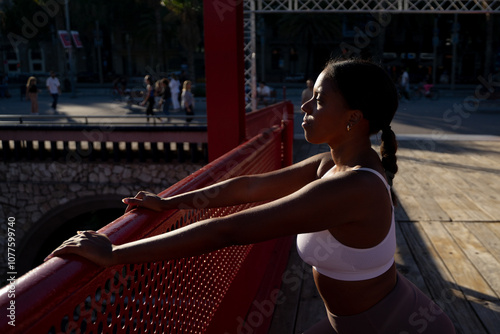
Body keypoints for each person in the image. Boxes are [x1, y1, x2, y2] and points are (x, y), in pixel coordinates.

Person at [45, 59, 455, 334]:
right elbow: (249, 187)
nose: (305, 105)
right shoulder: (329, 165)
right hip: (354, 321)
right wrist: (172, 203)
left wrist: (116, 253)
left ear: (353, 119)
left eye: (319, 99)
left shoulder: (353, 186)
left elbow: (230, 231)